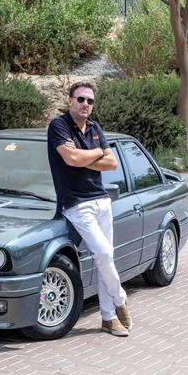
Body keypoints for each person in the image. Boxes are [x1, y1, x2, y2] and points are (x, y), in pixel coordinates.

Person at [47, 81, 132, 337]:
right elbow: (70, 159)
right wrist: (97, 153)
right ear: (70, 100)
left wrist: (85, 155)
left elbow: (112, 163)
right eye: (81, 99)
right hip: (76, 204)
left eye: (90, 101)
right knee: (103, 253)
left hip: (102, 201)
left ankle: (108, 319)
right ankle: (120, 300)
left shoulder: (94, 127)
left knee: (105, 258)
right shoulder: (58, 126)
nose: (86, 104)